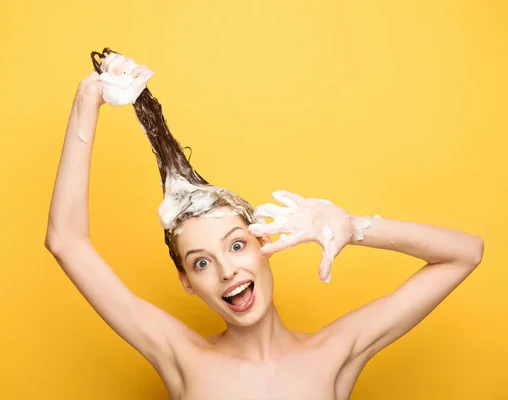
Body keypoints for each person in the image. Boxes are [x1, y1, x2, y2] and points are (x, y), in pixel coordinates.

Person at [45, 49, 484, 399]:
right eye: (200, 263)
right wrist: (89, 98)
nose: (226, 270)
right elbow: (66, 242)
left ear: (264, 242)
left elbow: (464, 254)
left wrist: (353, 227)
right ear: (185, 281)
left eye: (236, 245)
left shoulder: (335, 352)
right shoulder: (179, 355)